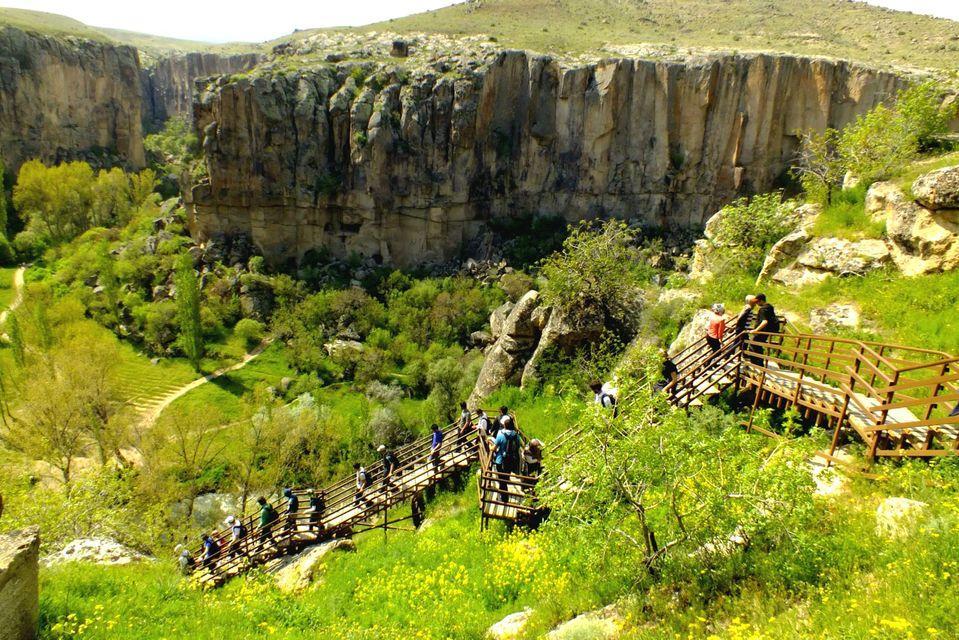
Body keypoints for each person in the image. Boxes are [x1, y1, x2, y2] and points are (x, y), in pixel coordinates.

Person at [493, 414, 523, 503]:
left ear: (504, 425)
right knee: (505, 478)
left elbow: (494, 448)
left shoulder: (500, 435)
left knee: (501, 480)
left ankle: (504, 499)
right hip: (511, 460)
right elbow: (518, 446)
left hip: (500, 460)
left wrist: (490, 445)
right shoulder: (516, 436)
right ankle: (502, 495)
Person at [749, 293, 781, 365]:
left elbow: (764, 322)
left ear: (761, 301)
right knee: (757, 345)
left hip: (763, 331)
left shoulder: (763, 309)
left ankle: (757, 363)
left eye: (757, 302)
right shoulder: (770, 307)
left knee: (753, 344)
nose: (756, 303)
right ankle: (758, 363)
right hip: (768, 330)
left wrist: (755, 330)